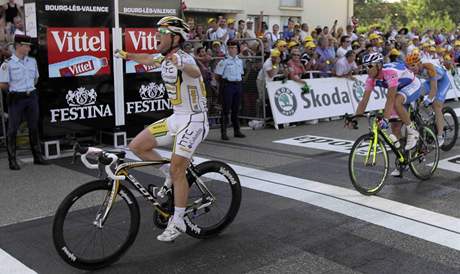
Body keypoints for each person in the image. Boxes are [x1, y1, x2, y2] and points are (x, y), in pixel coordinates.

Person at [114, 16, 208, 242]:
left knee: (178, 169)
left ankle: (178, 221)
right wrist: (126, 55)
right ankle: (169, 175)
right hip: (177, 118)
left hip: (194, 121)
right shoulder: (163, 58)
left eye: (162, 32)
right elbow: (147, 58)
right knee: (137, 146)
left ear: (175, 38)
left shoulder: (183, 58)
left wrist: (180, 64)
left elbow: (195, 72)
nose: (157, 35)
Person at [351, 53, 421, 152]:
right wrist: (355, 118)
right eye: (365, 66)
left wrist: (385, 119)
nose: (367, 69)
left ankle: (412, 130)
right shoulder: (370, 78)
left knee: (396, 101)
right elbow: (364, 100)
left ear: (379, 65)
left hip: (412, 84)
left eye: (370, 66)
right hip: (399, 88)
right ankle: (404, 157)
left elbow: (390, 98)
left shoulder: (390, 73)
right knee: (395, 128)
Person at [0, 35, 47, 170]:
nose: (28, 48)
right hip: (17, 97)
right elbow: (3, 84)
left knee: (34, 126)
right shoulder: (7, 63)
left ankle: (37, 156)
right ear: (18, 46)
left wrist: (27, 89)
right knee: (13, 128)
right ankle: (12, 160)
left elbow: (36, 79)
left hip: (31, 96)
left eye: (29, 46)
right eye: (26, 46)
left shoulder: (32, 61)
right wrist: (16, 91)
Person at [405, 52, 450, 146]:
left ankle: (440, 136)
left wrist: (428, 101)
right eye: (409, 66)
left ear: (419, 63)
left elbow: (434, 89)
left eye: (413, 65)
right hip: (430, 81)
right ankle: (430, 115)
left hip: (443, 81)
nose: (412, 68)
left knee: (436, 105)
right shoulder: (412, 71)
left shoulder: (429, 67)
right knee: (416, 97)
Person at [215, 40, 245, 140]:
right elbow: (217, 76)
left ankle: (237, 131)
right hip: (228, 86)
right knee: (226, 110)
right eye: (230, 48)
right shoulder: (224, 61)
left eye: (234, 48)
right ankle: (224, 132)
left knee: (236, 109)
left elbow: (241, 74)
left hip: (238, 85)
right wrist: (225, 84)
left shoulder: (239, 61)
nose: (232, 50)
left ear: (237, 49)